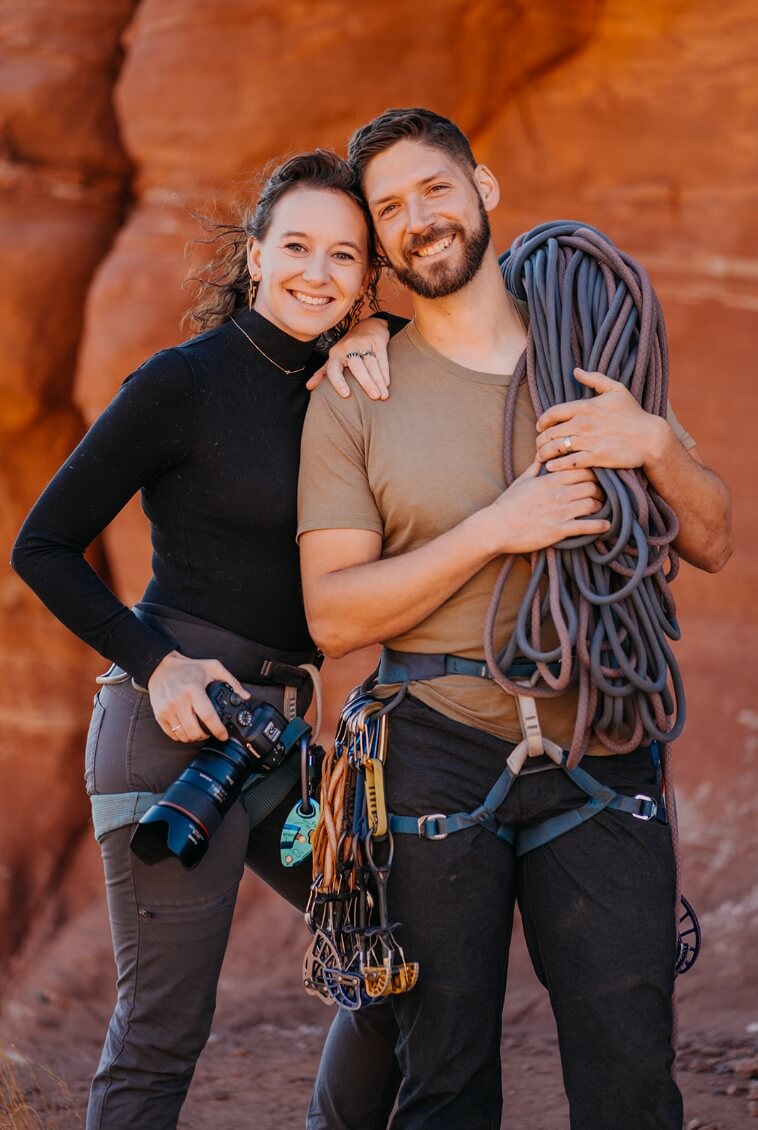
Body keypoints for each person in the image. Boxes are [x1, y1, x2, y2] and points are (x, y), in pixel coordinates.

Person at [298, 109, 733, 1130]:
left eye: (433, 189)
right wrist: (496, 526)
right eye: (390, 208)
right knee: (442, 1079)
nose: (418, 220)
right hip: (433, 754)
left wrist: (649, 443)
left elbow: (709, 536)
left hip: (602, 745)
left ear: (483, 189)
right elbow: (330, 615)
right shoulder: (356, 392)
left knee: (631, 1080)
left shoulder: (588, 347)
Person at [10, 149, 399, 1130]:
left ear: (364, 277)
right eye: (297, 246)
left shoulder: (349, 383)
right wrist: (158, 663)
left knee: (397, 952)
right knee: (161, 1031)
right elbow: (42, 544)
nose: (317, 272)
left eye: (344, 256)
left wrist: (384, 333)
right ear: (256, 255)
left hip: (278, 745)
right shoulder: (183, 382)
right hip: (172, 731)